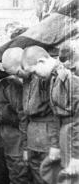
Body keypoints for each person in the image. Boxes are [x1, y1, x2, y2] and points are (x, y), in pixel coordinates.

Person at [21, 45, 79, 183]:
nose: (35, 76)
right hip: (66, 138)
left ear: (41, 61)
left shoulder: (69, 78)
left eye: (34, 72)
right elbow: (57, 116)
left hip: (73, 139)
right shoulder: (54, 78)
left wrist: (76, 157)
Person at [2, 46, 57, 184]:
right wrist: (26, 148)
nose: (16, 77)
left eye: (18, 72)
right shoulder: (25, 81)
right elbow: (25, 117)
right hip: (34, 143)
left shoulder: (47, 78)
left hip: (49, 143)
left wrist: (56, 146)